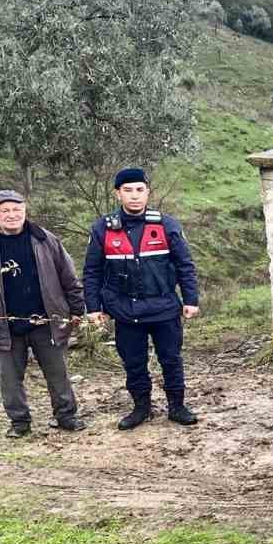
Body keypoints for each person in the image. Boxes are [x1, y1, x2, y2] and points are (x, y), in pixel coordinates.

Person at [0, 189, 86, 437]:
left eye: (17, 210)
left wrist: (76, 309)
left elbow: (68, 276)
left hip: (46, 320)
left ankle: (66, 416)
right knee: (9, 379)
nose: (12, 215)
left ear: (25, 211)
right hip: (3, 324)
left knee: (57, 373)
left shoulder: (46, 239)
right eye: (5, 210)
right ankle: (19, 423)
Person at [82, 167, 201, 429]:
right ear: (117, 194)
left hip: (164, 308)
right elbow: (91, 272)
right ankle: (141, 408)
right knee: (134, 363)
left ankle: (177, 407)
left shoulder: (167, 225)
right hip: (125, 310)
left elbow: (185, 265)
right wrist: (93, 307)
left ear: (147, 193)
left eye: (139, 190)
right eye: (128, 191)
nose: (134, 196)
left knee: (171, 359)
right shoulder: (102, 228)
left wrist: (191, 300)